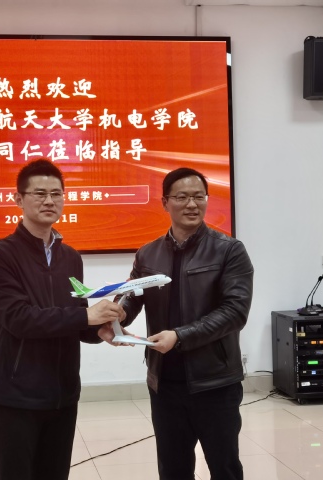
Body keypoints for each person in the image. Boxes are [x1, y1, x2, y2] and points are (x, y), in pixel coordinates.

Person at [0, 158, 124, 480]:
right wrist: (85, 316)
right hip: (16, 395)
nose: (49, 201)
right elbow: (18, 319)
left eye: (56, 194)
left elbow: (76, 319)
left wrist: (101, 328)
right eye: (40, 193)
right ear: (18, 199)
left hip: (63, 393)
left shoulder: (70, 257)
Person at [118, 167, 254, 480]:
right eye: (182, 197)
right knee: (173, 470)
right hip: (164, 383)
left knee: (225, 468)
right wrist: (116, 317)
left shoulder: (229, 250)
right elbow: (131, 296)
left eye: (198, 197)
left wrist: (180, 336)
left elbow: (235, 311)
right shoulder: (148, 254)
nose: (192, 204)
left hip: (215, 382)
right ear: (165, 202)